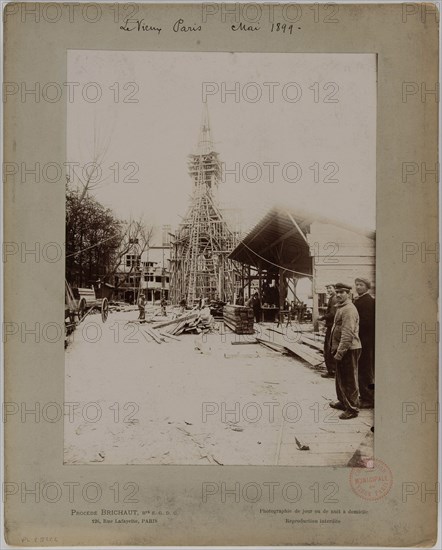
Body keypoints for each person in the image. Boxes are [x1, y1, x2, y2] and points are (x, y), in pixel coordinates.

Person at [330, 282, 361, 420]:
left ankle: (352, 409)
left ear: (348, 293)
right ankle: (343, 402)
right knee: (341, 377)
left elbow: (347, 334)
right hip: (342, 347)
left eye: (341, 292)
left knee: (349, 379)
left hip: (349, 348)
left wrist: (340, 352)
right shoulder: (341, 307)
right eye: (337, 292)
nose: (338, 294)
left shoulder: (348, 309)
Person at [354, 277, 375, 408]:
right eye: (356, 285)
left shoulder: (367, 301)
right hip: (362, 338)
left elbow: (367, 322)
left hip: (365, 340)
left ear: (367, 287)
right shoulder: (360, 299)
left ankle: (368, 399)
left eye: (361, 285)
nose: (358, 287)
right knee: (362, 368)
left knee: (365, 369)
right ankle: (365, 395)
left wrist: (354, 326)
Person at [320, 284, 338, 378]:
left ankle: (332, 371)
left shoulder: (334, 298)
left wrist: (322, 317)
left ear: (335, 289)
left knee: (329, 348)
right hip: (331, 326)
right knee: (329, 348)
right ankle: (332, 370)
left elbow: (333, 313)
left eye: (330, 288)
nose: (328, 290)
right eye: (327, 288)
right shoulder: (332, 298)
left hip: (332, 327)